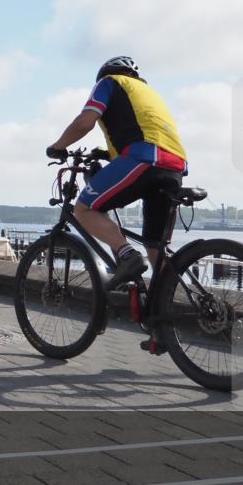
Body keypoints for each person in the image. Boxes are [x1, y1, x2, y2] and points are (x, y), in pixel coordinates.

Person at [46, 56, 188, 350]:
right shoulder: (148, 94)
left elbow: (85, 121)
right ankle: (160, 326)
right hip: (174, 166)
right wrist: (103, 153)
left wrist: (58, 147)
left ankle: (125, 254)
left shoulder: (110, 83)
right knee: (155, 249)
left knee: (84, 209)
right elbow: (139, 132)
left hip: (144, 158)